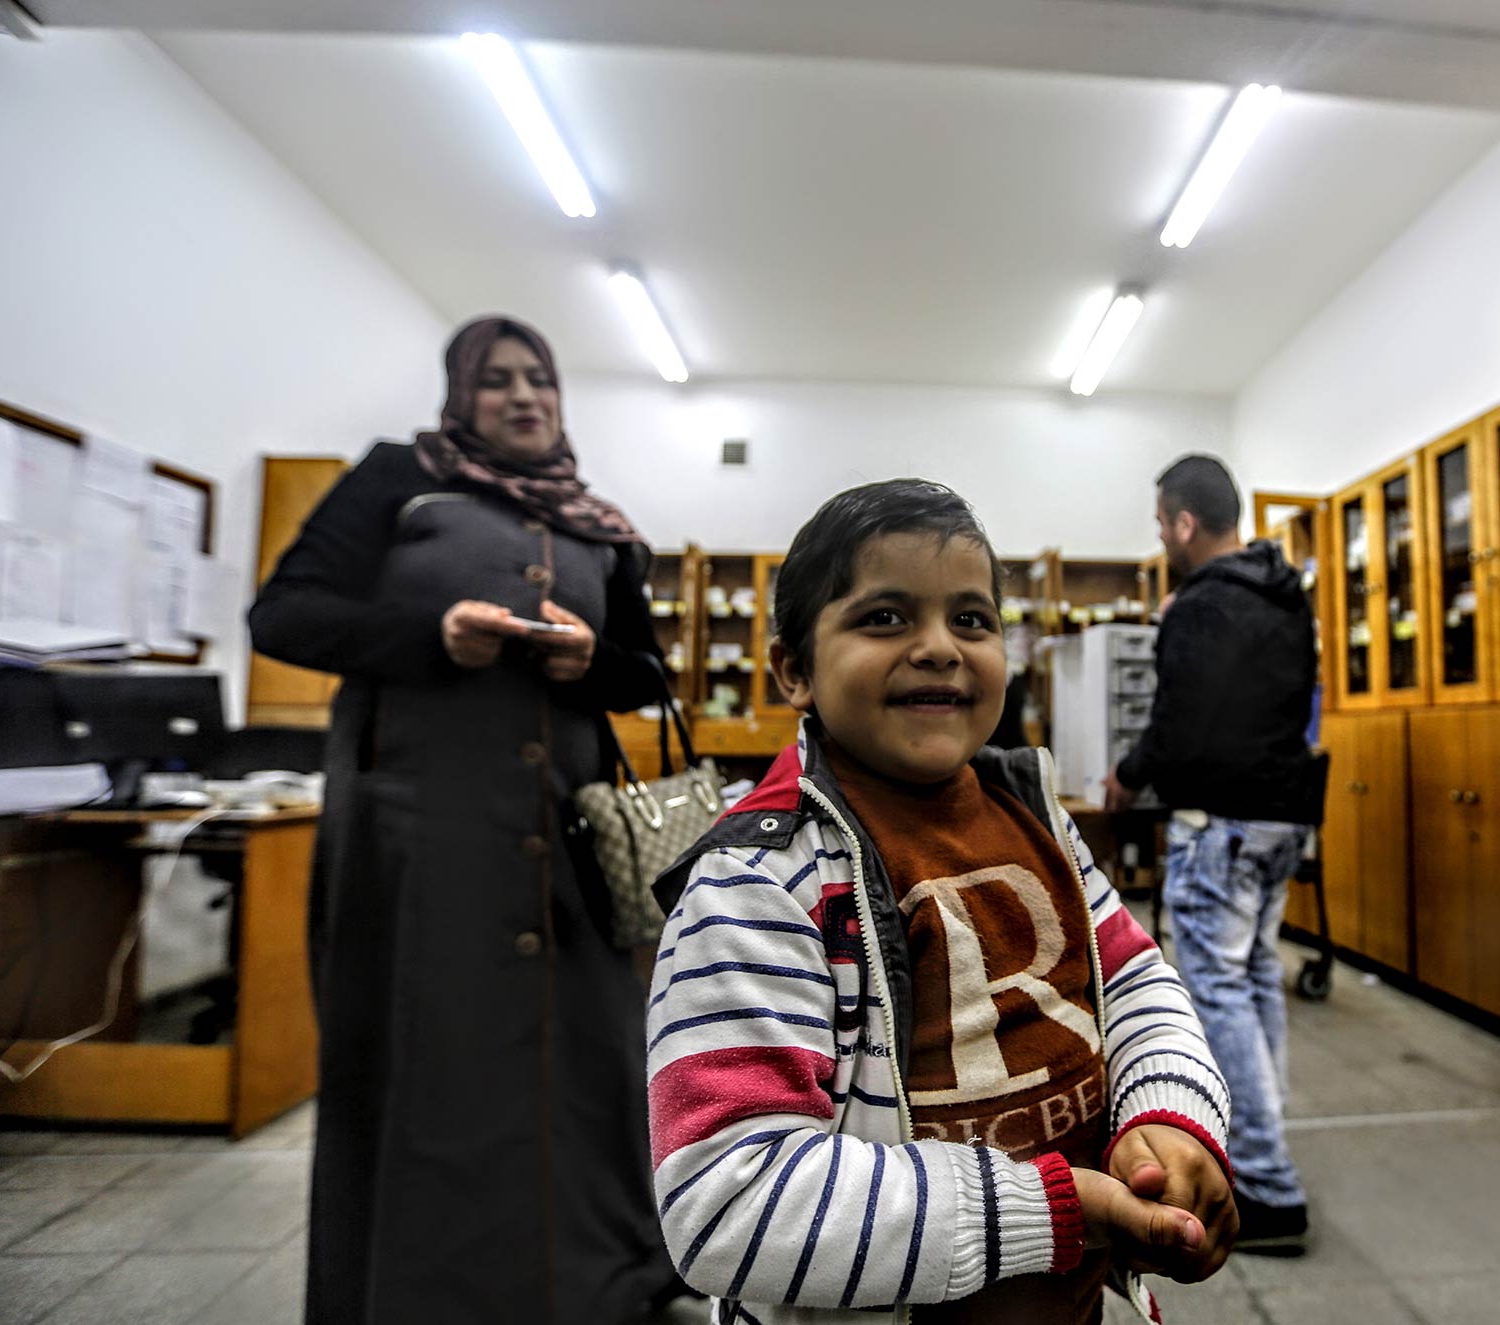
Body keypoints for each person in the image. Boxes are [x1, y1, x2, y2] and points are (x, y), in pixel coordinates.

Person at [645, 480, 1238, 1324]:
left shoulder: (1034, 810)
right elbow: (725, 1199)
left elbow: (1137, 984)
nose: (939, 647)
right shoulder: (757, 878)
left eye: (972, 619)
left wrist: (1168, 1118)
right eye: (884, 617)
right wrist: (1052, 1211)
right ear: (793, 669)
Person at [249, 316, 683, 1323]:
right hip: (421, 835)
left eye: (541, 378)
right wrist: (430, 634)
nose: (524, 395)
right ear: (459, 395)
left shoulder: (596, 523)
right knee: (432, 1052)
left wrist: (590, 662)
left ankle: (600, 1278)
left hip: (564, 845)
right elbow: (286, 614)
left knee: (588, 1053)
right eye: (496, 380)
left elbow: (642, 672)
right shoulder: (399, 479)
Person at [1104, 454, 1317, 1256]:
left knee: (1217, 989)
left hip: (1221, 821)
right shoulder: (1285, 594)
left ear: (1185, 522)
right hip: (1279, 818)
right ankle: (1267, 1144)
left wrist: (1129, 776)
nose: (1161, 535)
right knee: (1257, 976)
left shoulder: (1196, 605)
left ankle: (1264, 1179)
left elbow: (1179, 723)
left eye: (1163, 522)